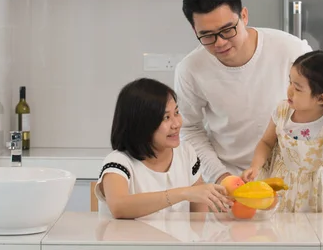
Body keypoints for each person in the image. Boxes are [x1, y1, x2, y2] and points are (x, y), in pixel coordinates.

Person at [175, 0, 312, 185]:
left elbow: (319, 110)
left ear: (244, 16)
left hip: (291, 181)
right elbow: (189, 128)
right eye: (207, 35)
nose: (219, 43)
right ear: (194, 30)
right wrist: (221, 176)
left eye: (227, 30)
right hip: (230, 183)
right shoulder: (190, 69)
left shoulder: (291, 50)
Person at [94, 78, 233, 219]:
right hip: (133, 241)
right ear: (141, 123)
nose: (177, 124)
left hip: (177, 241)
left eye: (177, 113)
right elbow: (119, 207)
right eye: (166, 117)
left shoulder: (186, 153)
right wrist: (183, 193)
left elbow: (198, 217)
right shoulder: (119, 162)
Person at [242, 50, 323, 218]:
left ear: (320, 99)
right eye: (290, 82)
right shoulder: (282, 110)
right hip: (281, 185)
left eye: (297, 88)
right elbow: (266, 142)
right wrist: (255, 166)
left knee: (311, 237)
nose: (289, 91)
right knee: (277, 235)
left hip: (313, 192)